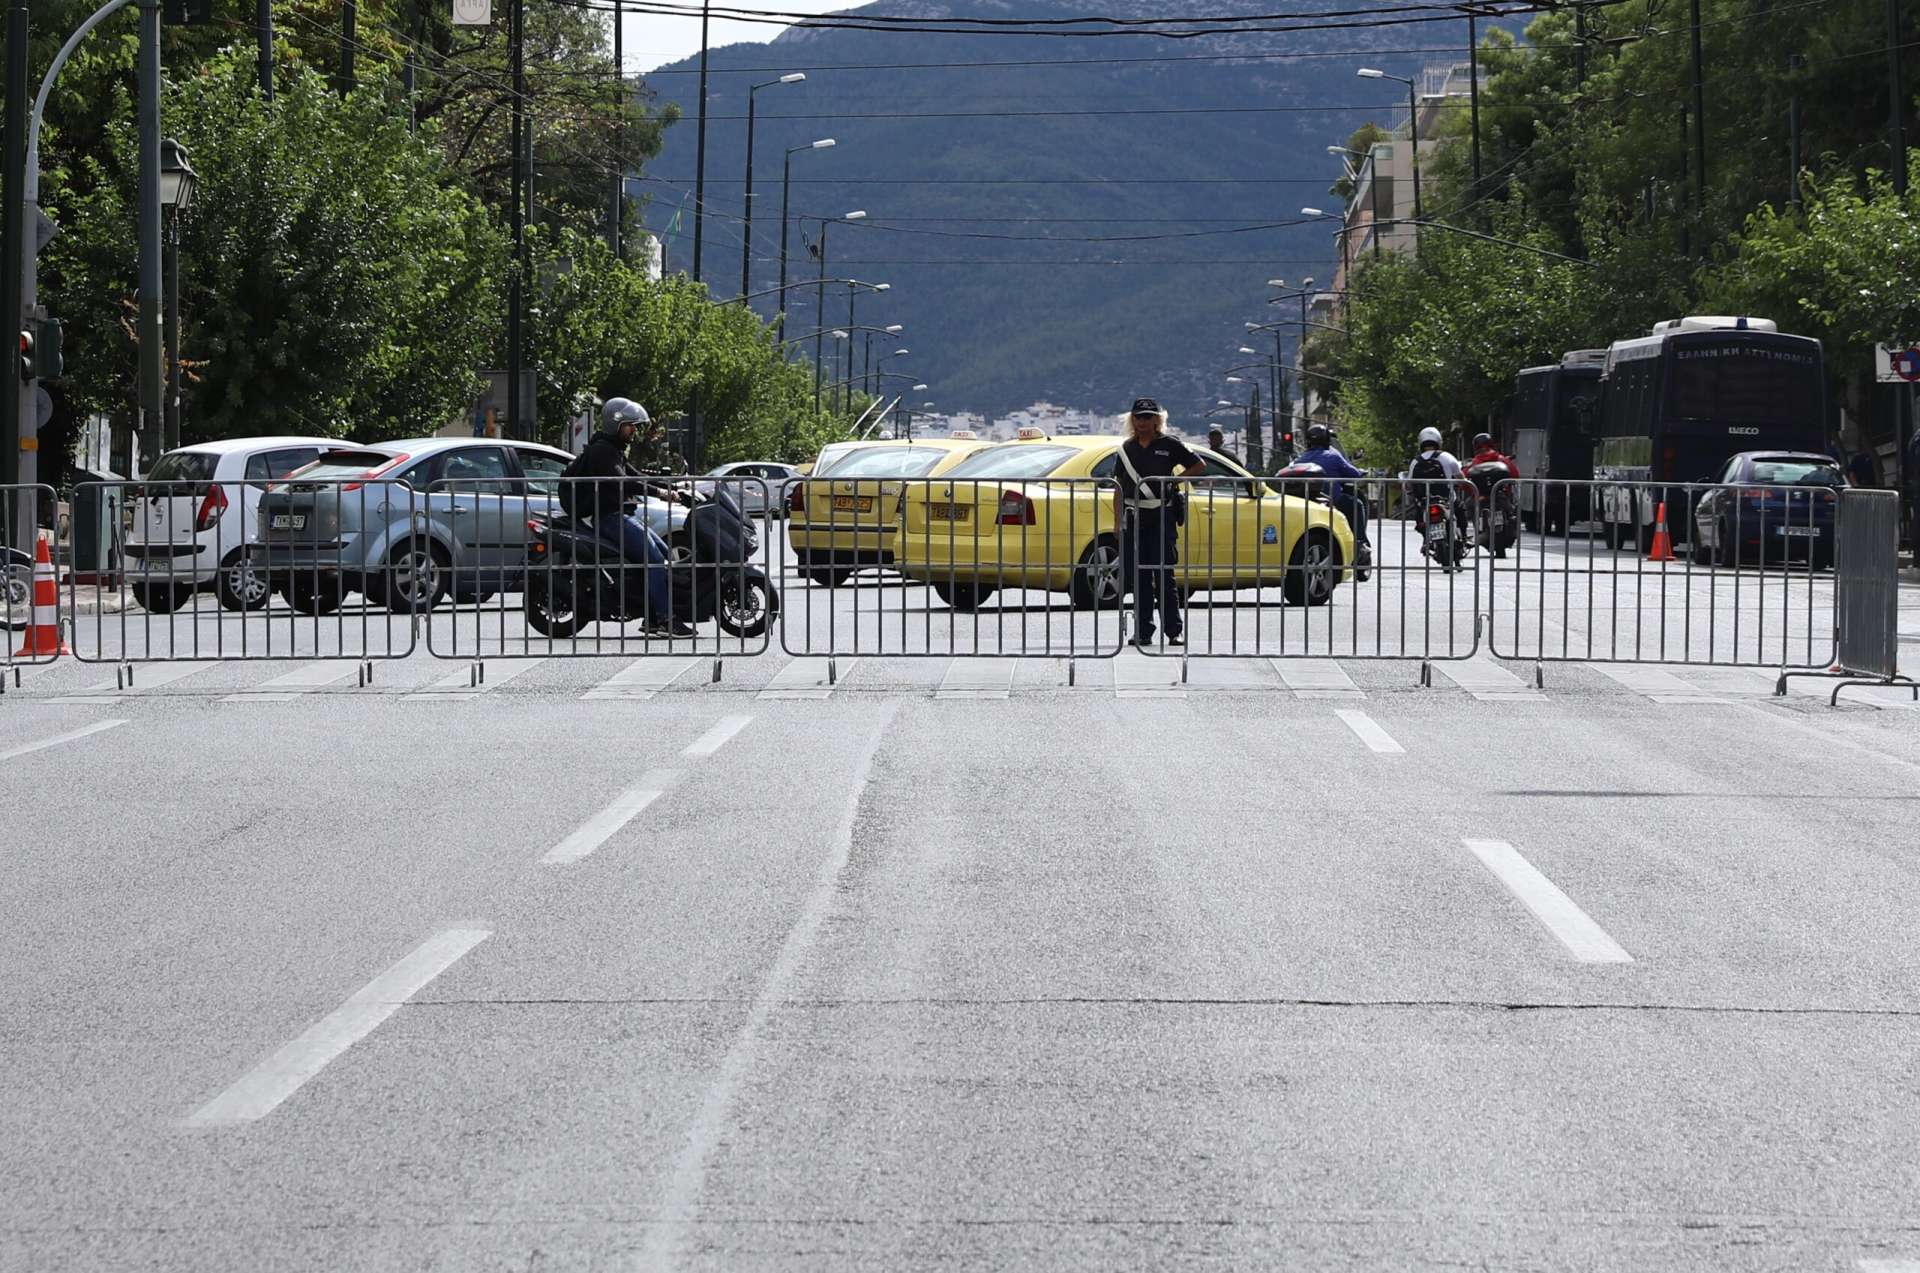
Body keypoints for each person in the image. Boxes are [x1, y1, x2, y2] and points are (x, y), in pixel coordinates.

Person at [566, 398, 695, 637]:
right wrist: (660, 493)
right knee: (654, 560)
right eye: (630, 425)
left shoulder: (612, 449)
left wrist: (673, 484)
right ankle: (666, 620)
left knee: (665, 554)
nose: (634, 430)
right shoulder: (602, 452)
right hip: (609, 519)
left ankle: (653, 618)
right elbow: (625, 481)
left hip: (619, 516)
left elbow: (637, 476)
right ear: (616, 424)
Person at [1114, 398, 1206, 647]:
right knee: (1139, 577)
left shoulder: (1170, 444)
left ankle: (1174, 631)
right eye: (1138, 417)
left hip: (1162, 516)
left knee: (1165, 574)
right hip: (1135, 517)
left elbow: (1198, 465)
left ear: (1157, 420)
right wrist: (1117, 522)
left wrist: (1174, 482)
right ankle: (1143, 631)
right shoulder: (1126, 449)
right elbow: (1119, 487)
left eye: (1147, 417)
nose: (1142, 422)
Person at [1294, 422, 1370, 554]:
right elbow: (1353, 474)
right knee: (1357, 505)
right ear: (1327, 440)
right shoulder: (1333, 456)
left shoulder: (1300, 460)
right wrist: (1361, 472)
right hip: (1334, 501)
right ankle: (1360, 542)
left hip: (1308, 504)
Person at [1408, 427, 1471, 534]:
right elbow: (1460, 476)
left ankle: (1426, 541)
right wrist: (1464, 482)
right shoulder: (1447, 457)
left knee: (1419, 518)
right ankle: (1464, 537)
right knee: (1460, 510)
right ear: (1438, 441)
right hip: (1447, 499)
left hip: (1424, 501)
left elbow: (1409, 484)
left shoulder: (1415, 461)